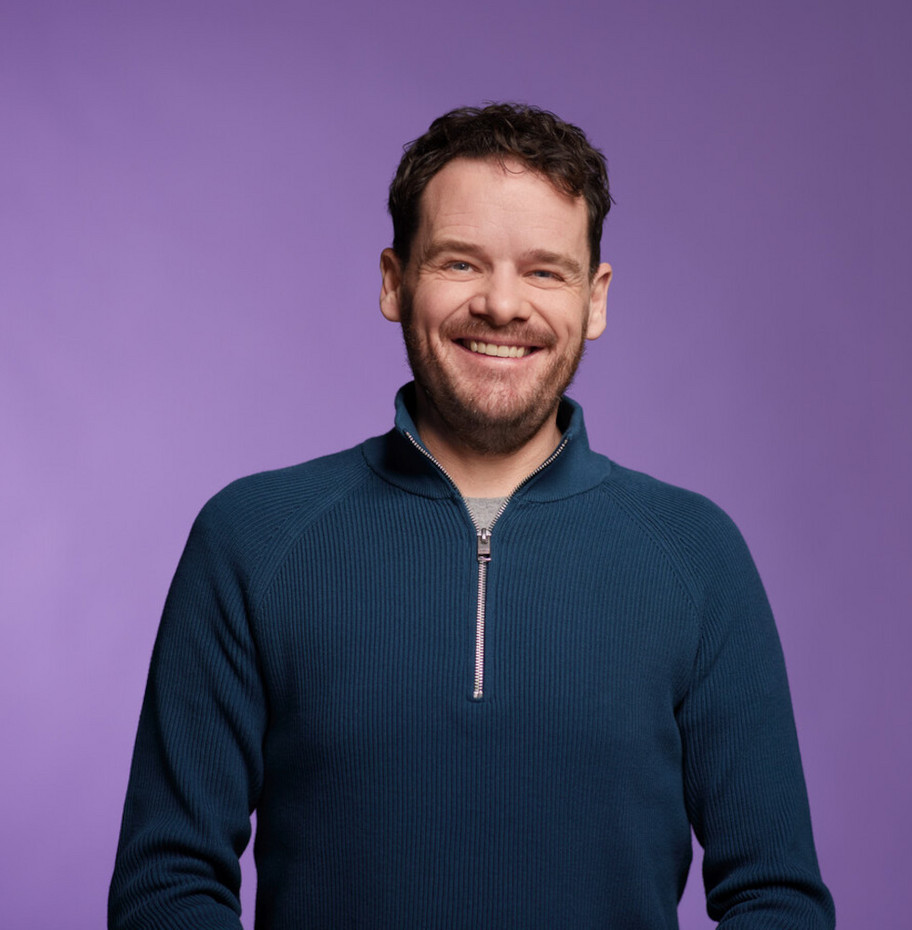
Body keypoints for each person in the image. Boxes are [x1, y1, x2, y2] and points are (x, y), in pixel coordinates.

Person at [109, 103, 834, 929]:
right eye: (460, 263)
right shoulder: (252, 539)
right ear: (394, 279)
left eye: (545, 271)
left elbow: (776, 898)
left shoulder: (697, 557)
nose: (501, 304)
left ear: (594, 299)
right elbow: (164, 888)